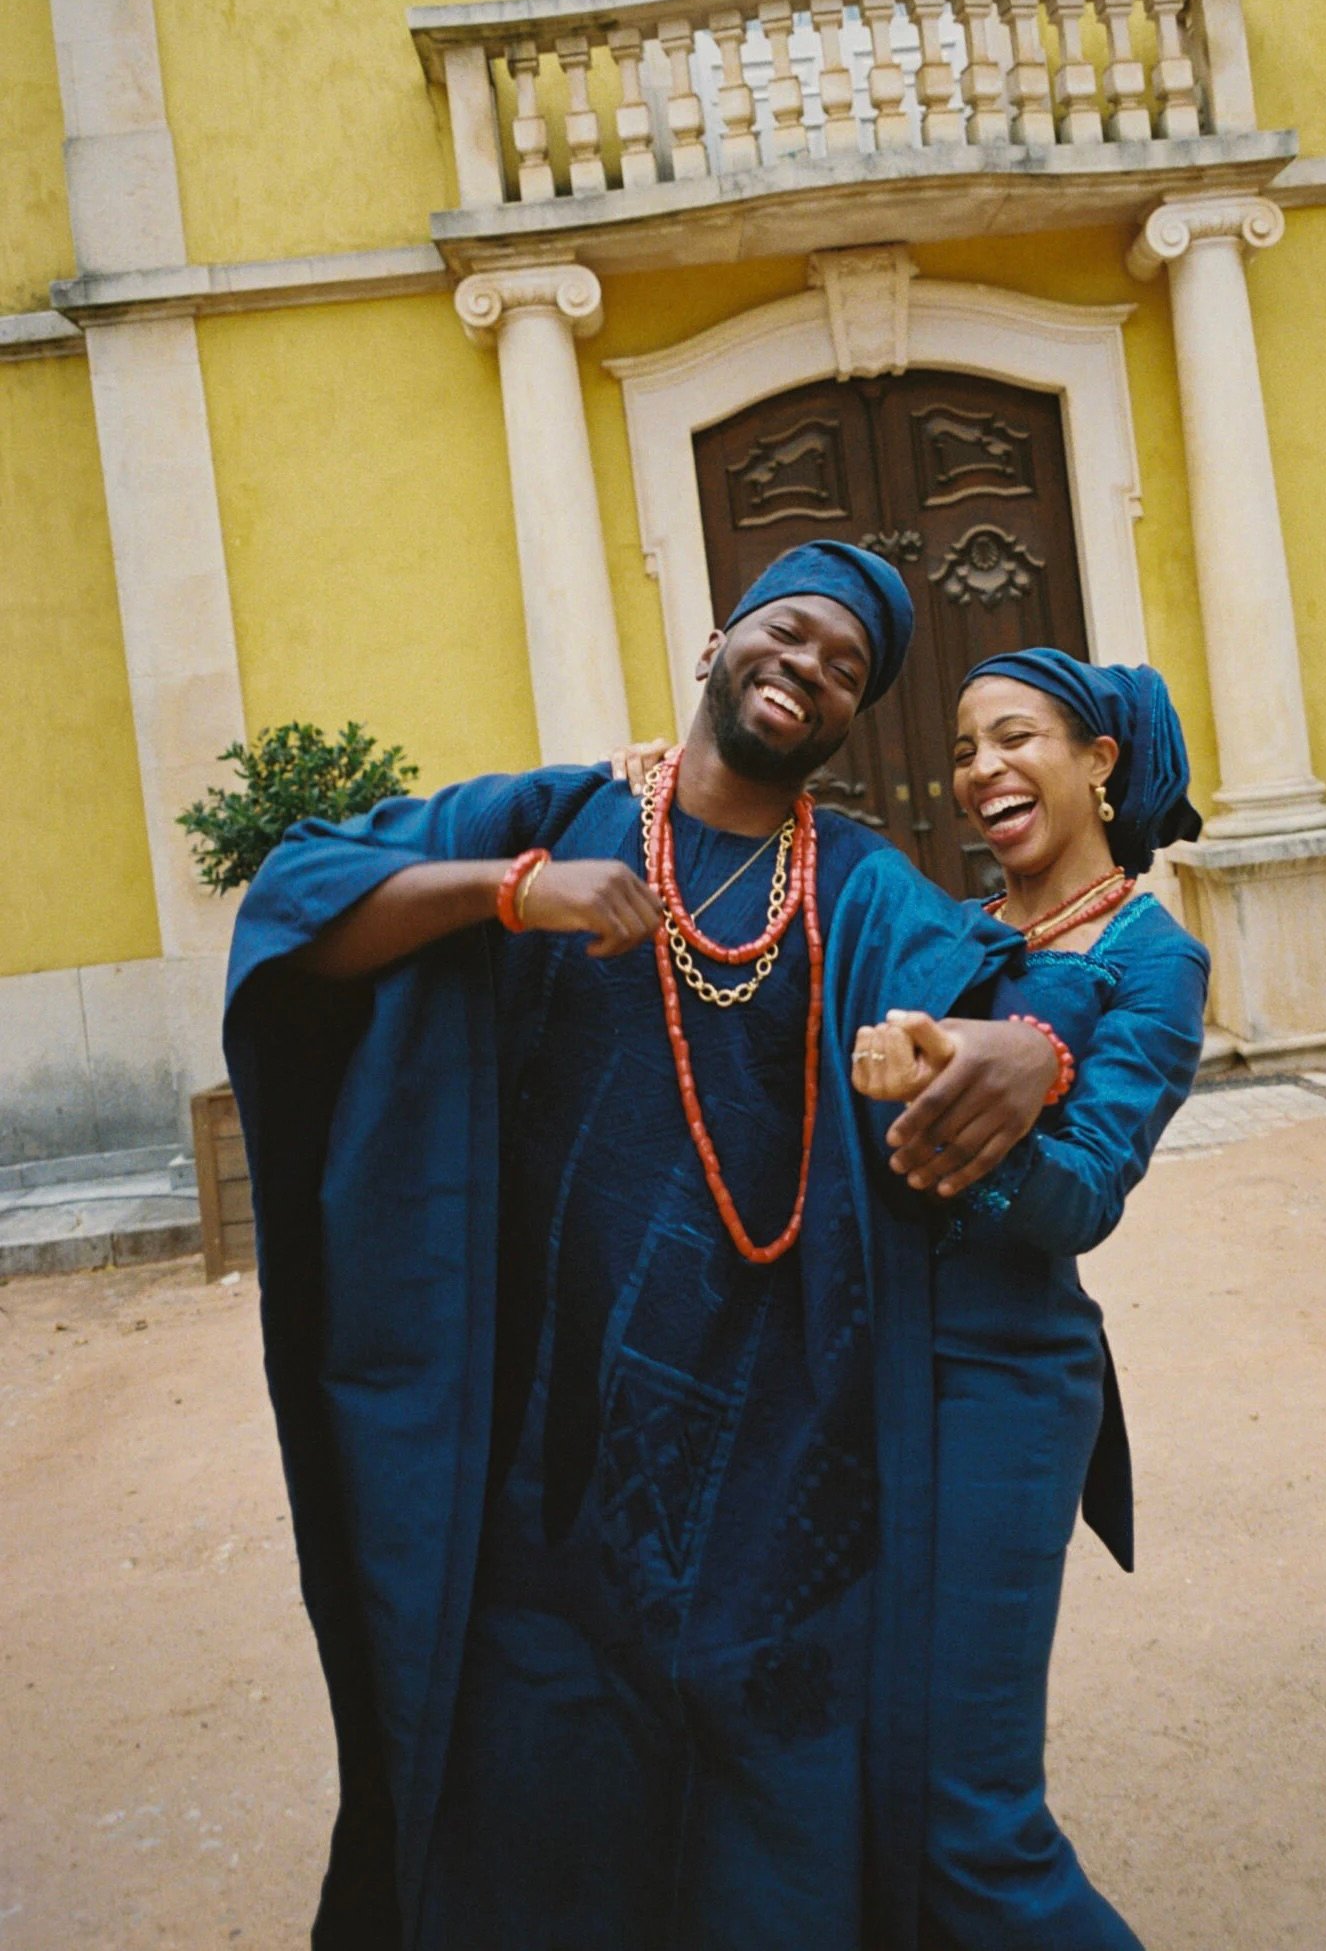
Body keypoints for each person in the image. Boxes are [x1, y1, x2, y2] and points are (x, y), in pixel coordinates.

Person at [223, 542, 1066, 1951]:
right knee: (536, 1796)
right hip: (540, 1454)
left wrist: (1025, 1047)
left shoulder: (855, 882)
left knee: (776, 1810)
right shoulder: (553, 812)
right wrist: (511, 890)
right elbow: (297, 911)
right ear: (718, 639)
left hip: (782, 1455)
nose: (807, 670)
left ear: (856, 719)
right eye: (788, 634)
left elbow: (1014, 981)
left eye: (846, 667)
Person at [850, 648, 1210, 1949]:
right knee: (862, 1773)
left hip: (1000, 1386)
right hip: (859, 1373)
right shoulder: (943, 930)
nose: (979, 770)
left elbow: (1087, 1194)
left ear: (1098, 763)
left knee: (968, 1818)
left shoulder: (1153, 964)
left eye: (1013, 737)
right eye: (961, 748)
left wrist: (968, 1114)